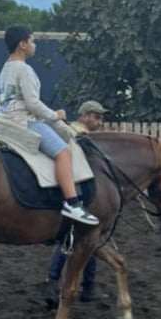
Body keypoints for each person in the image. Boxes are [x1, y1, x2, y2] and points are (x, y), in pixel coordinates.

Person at [0, 25, 99, 226]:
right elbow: (32, 104)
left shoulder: (6, 68)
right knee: (64, 152)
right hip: (25, 122)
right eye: (32, 41)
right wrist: (55, 115)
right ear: (22, 44)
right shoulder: (24, 69)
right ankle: (72, 203)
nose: (34, 45)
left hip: (6, 121)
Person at [46, 100, 109, 307]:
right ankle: (63, 282)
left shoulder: (76, 132)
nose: (100, 121)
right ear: (84, 116)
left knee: (85, 238)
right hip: (79, 191)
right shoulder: (78, 134)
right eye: (96, 116)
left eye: (100, 117)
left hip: (76, 190)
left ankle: (78, 284)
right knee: (75, 237)